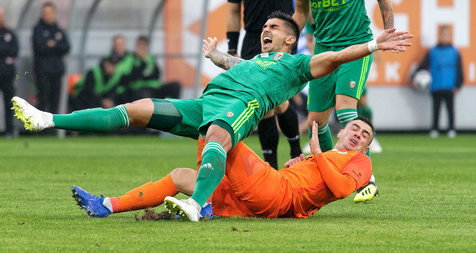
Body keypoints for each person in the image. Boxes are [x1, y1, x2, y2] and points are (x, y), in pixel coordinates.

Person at [13, 11, 411, 222]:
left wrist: (373, 44)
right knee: (137, 110)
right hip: (207, 103)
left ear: (290, 38)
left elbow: (335, 57)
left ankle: (196, 206)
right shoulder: (255, 61)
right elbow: (234, 63)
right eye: (265, 27)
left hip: (239, 110)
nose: (265, 30)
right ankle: (49, 120)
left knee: (218, 140)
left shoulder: (296, 65)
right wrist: (214, 55)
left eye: (273, 27)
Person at [72, 117, 374, 220]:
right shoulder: (325, 156)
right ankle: (107, 205)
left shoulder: (359, 160)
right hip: (266, 198)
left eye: (364, 135)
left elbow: (343, 189)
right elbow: (313, 186)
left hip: (274, 192)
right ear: (342, 131)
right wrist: (300, 163)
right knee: (180, 176)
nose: (358, 134)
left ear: (365, 147)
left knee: (222, 131)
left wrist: (317, 155)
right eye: (354, 128)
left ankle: (201, 202)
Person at [291, 0, 395, 202]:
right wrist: (288, 41)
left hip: (357, 45)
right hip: (324, 50)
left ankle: (367, 178)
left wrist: (386, 33)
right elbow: (300, 13)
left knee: (346, 108)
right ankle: (329, 173)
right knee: (316, 121)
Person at [225, 0, 300, 169]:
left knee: (279, 101)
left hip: (282, 42)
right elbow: (234, 12)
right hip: (252, 42)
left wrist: (299, 32)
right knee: (263, 104)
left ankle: (296, 149)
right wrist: (232, 47)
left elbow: (303, 0)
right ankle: (271, 167)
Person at [413, 24, 463, 139]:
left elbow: (459, 69)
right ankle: (435, 128)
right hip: (436, 85)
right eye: (442, 34)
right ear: (439, 35)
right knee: (436, 109)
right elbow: (423, 65)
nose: (444, 36)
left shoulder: (455, 51)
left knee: (450, 109)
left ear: (450, 35)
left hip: (449, 86)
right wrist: (414, 75)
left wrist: (458, 84)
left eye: (447, 34)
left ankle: (451, 129)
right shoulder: (432, 51)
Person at [31, 1, 70, 114]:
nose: (47, 15)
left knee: (55, 100)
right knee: (43, 99)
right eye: (45, 12)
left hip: (57, 70)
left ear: (54, 13)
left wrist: (53, 44)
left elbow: (66, 47)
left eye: (49, 12)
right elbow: (39, 47)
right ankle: (40, 128)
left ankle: (53, 128)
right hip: (43, 70)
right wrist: (54, 45)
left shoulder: (59, 30)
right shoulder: (38, 29)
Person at [124, 35, 181, 100]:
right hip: (140, 88)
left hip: (155, 87)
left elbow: (157, 75)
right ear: (137, 46)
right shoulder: (131, 58)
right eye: (141, 45)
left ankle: (174, 107)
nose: (143, 48)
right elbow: (133, 76)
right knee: (146, 95)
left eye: (145, 46)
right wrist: (143, 63)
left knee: (175, 86)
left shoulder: (151, 58)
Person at [0, 8, 18, 137]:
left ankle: (10, 130)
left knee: (9, 102)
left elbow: (14, 51)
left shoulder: (10, 34)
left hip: (7, 74)